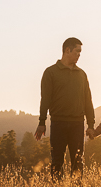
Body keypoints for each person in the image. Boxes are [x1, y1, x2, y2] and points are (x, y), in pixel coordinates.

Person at [36, 37, 95, 177]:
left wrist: (91, 124)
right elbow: (45, 99)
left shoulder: (81, 74)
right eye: (77, 52)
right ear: (67, 50)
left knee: (78, 160)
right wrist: (42, 122)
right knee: (57, 160)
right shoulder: (50, 72)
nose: (79, 55)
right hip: (58, 122)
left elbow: (88, 101)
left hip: (77, 123)